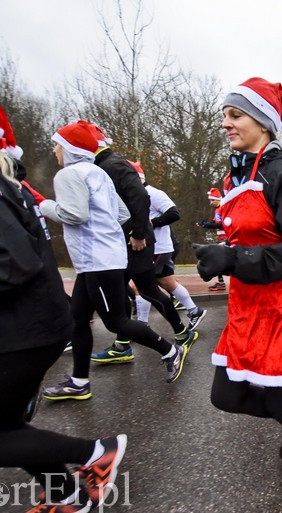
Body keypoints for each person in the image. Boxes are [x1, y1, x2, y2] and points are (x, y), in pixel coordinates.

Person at [0, 81, 126, 513]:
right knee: (2, 423)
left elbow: (12, 259)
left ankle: (95, 454)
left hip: (18, 331)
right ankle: (66, 494)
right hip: (21, 325)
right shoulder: (2, 180)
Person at [194, 77, 282, 497]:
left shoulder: (281, 173)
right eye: (225, 116)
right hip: (247, 305)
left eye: (235, 115)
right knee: (225, 395)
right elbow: (254, 237)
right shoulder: (238, 175)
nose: (226, 124)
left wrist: (233, 260)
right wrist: (218, 249)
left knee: (279, 400)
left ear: (262, 122)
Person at [40, 121, 192, 400]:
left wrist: (44, 205)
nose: (54, 150)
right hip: (99, 259)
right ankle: (79, 382)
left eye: (57, 144)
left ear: (70, 148)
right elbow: (122, 214)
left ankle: (171, 351)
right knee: (79, 319)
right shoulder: (98, 173)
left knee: (116, 322)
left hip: (97, 260)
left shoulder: (68, 174)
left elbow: (75, 215)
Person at [90, 124, 198, 362]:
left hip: (137, 243)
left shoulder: (115, 168)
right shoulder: (107, 167)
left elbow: (162, 209)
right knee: (140, 290)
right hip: (128, 242)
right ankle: (171, 333)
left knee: (148, 290)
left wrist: (140, 232)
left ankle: (168, 335)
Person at [129, 160, 207, 330]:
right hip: (155, 248)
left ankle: (142, 325)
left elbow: (173, 213)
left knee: (139, 285)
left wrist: (148, 223)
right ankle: (194, 311)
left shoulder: (153, 193)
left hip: (157, 248)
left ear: (136, 177)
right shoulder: (137, 195)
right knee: (168, 282)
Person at [197, 187, 228, 291]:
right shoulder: (218, 209)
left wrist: (208, 225)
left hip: (227, 237)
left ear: (218, 199)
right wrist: (205, 223)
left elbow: (223, 224)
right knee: (217, 258)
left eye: (212, 200)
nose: (210, 203)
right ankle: (221, 282)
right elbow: (216, 222)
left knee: (219, 258)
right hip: (221, 238)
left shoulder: (224, 207)